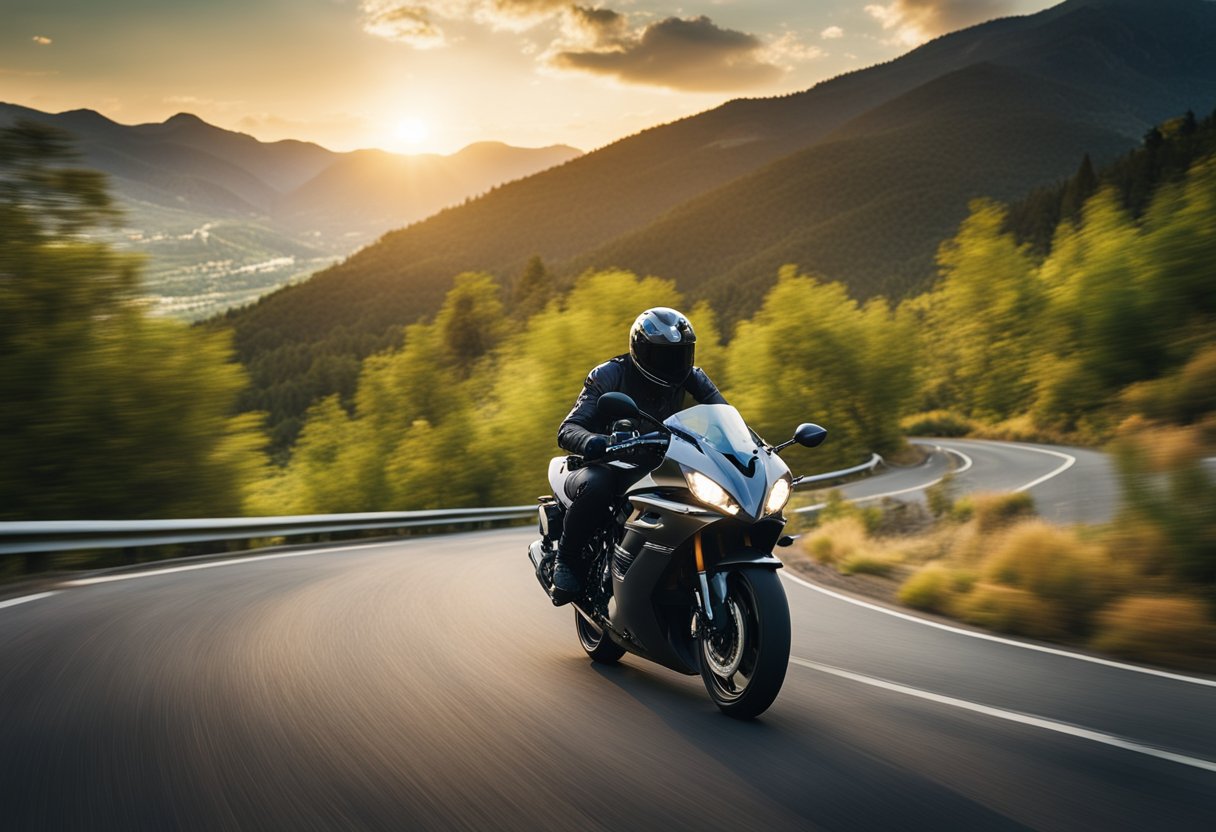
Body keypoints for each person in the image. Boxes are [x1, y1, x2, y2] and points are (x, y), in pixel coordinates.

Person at [551, 307, 727, 602]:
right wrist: (594, 441)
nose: (674, 364)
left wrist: (746, 443)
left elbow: (723, 413)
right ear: (641, 351)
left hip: (658, 463)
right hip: (605, 462)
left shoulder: (691, 377)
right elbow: (568, 428)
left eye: (681, 354)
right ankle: (566, 561)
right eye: (664, 356)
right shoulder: (610, 374)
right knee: (598, 486)